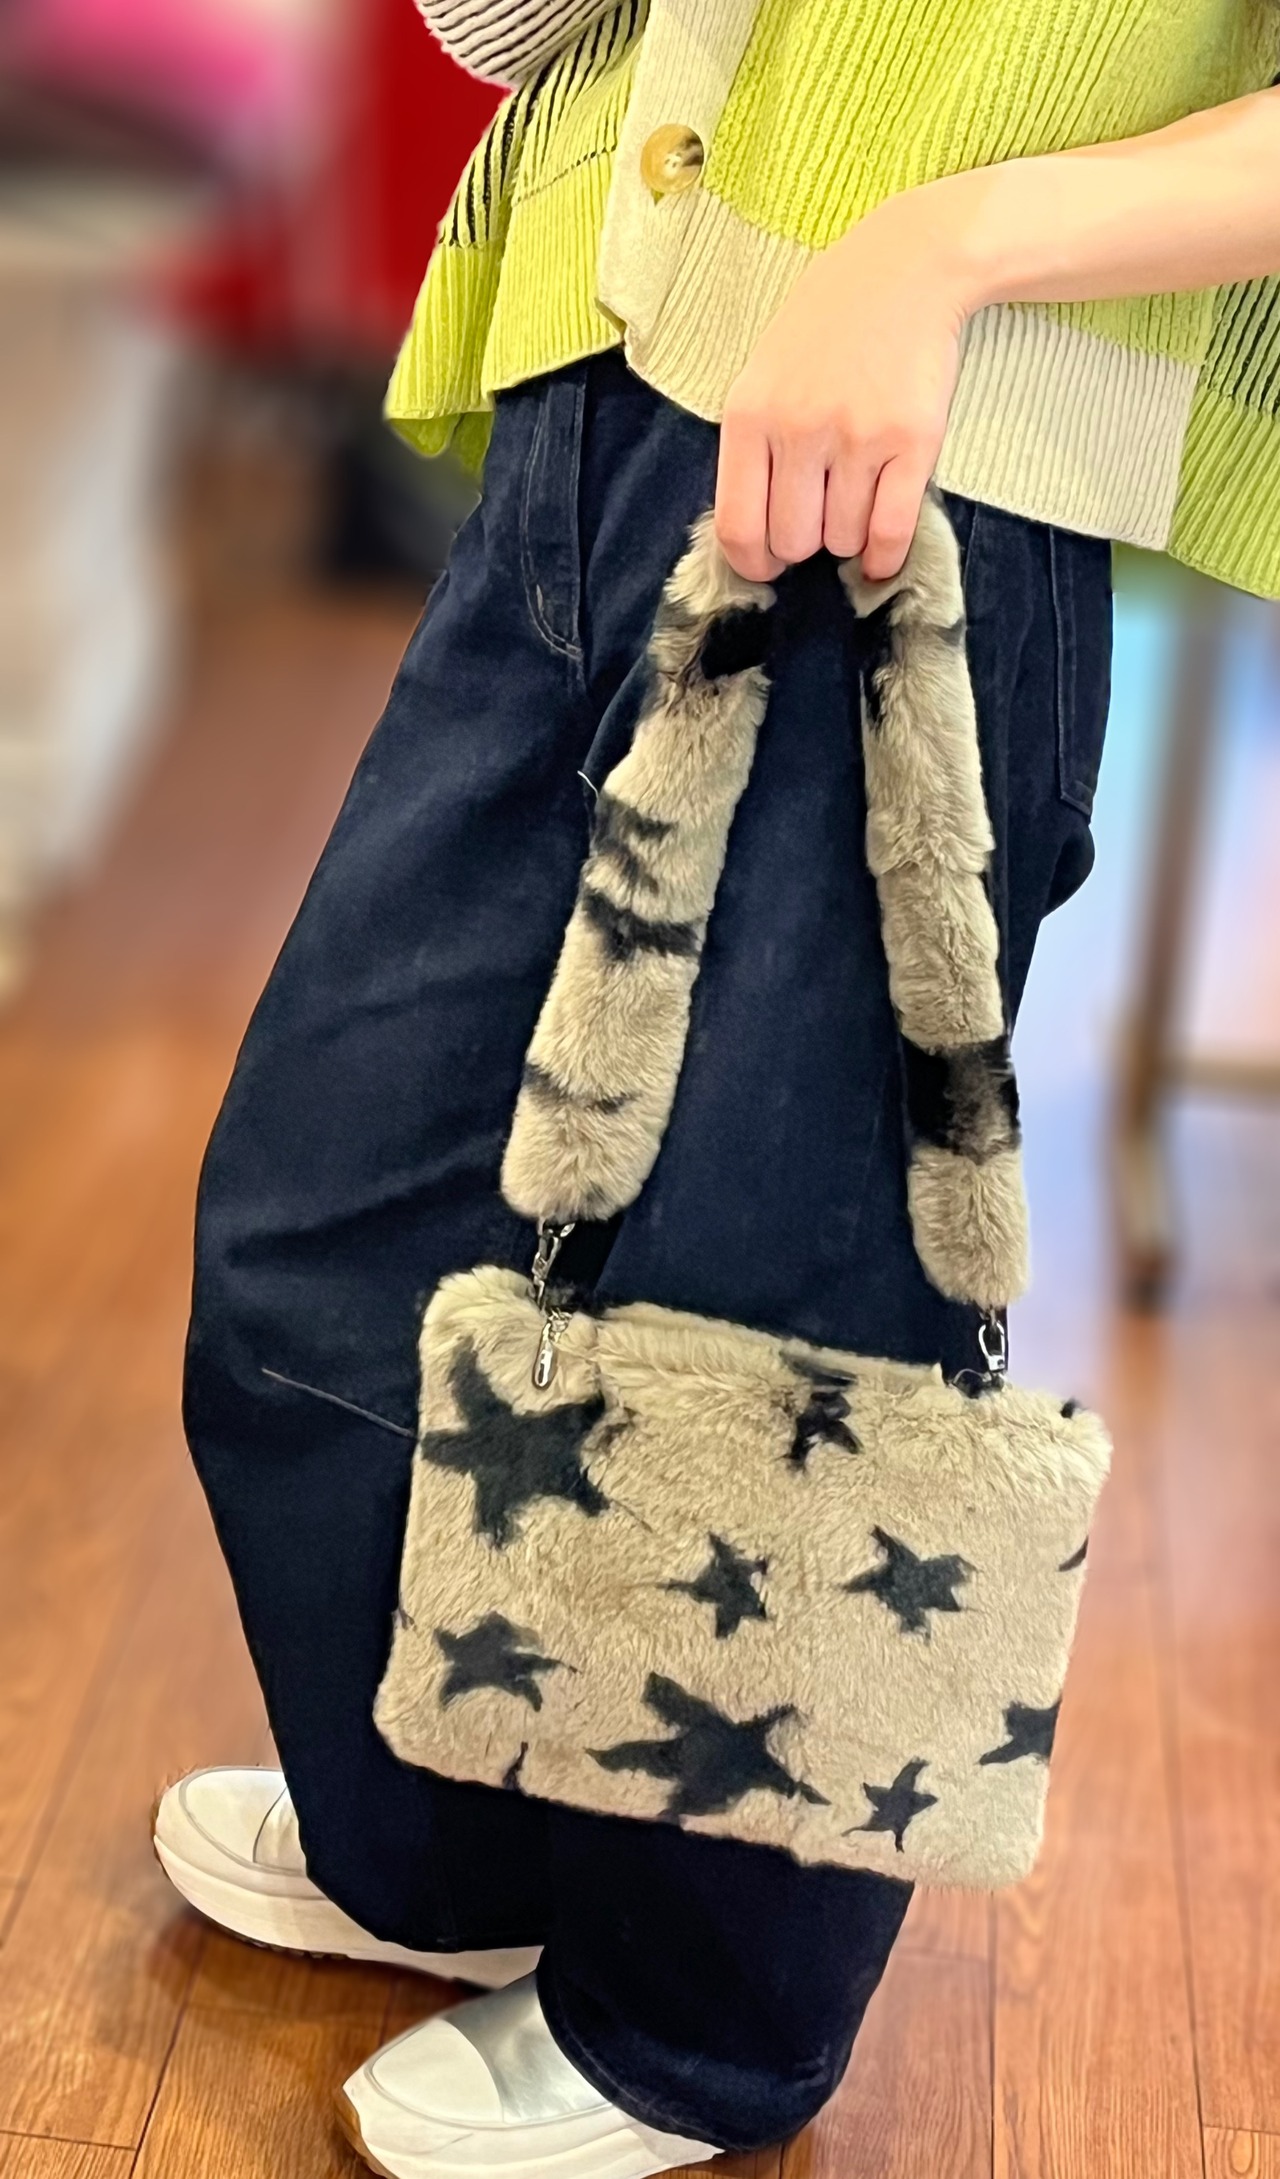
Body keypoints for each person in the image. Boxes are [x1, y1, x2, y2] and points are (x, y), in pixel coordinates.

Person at [156, 3, 1280, 2175]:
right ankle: (467, 1836)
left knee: (780, 1321)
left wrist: (944, 247)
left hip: (932, 463)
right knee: (329, 1217)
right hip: (599, 382)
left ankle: (697, 2028)